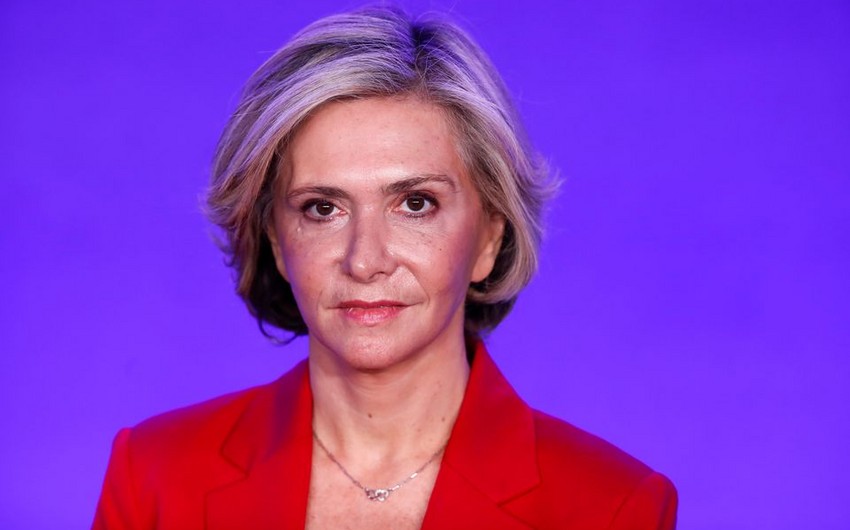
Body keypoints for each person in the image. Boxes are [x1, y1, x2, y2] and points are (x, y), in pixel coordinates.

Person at [93, 5, 677, 529]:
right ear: (275, 239)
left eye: (415, 204)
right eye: (322, 208)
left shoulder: (612, 507)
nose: (365, 260)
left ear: (489, 237)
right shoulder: (155, 476)